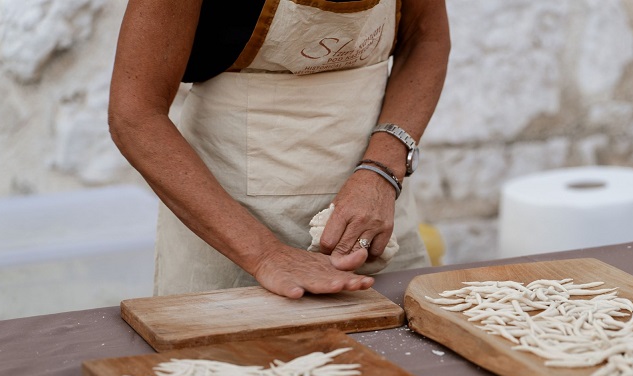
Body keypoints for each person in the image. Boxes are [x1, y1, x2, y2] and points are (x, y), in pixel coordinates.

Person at [109, 0, 450, 299]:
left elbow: (426, 39)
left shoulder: (381, 181)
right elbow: (135, 115)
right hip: (233, 219)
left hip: (378, 208)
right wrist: (264, 254)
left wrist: (381, 173)